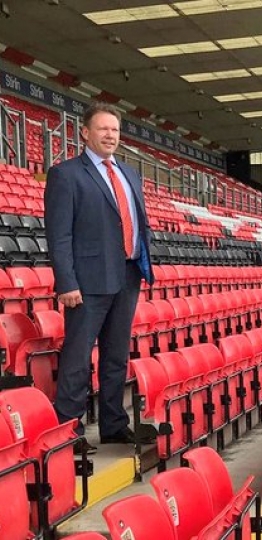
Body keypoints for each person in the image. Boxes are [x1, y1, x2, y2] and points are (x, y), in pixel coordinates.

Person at [45, 102, 155, 455]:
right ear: (85, 133)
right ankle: (69, 430)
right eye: (104, 129)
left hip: (126, 273)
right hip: (87, 281)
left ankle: (113, 425)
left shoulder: (129, 173)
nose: (111, 135)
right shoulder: (66, 174)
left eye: (116, 130)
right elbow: (58, 235)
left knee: (115, 356)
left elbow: (139, 221)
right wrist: (66, 282)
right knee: (78, 357)